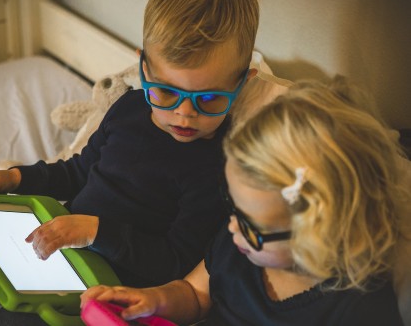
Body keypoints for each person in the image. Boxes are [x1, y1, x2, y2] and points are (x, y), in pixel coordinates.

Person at [0, 0, 265, 324]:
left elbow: (173, 263)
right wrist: (17, 179)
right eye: (167, 92)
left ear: (242, 84)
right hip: (55, 252)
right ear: (144, 70)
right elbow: (79, 170)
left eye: (209, 100)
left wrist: (95, 232)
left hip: (99, 289)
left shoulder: (217, 167)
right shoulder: (128, 109)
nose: (184, 114)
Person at [81, 77, 407, 325]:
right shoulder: (238, 247)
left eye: (251, 225)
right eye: (233, 206)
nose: (232, 227)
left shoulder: (358, 308)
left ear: (318, 231)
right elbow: (196, 293)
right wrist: (152, 300)